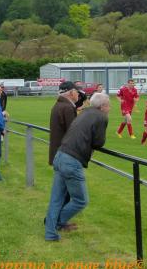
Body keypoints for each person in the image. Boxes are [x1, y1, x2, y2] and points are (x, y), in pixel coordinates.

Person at [44, 92, 110, 242]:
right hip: (71, 160)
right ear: (103, 106)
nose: (110, 108)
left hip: (60, 155)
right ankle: (55, 222)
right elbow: (99, 142)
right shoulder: (101, 117)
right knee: (81, 200)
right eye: (109, 105)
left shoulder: (83, 113)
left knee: (56, 199)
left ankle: (51, 232)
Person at [49, 81, 79, 166]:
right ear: (72, 93)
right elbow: (73, 132)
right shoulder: (68, 108)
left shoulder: (58, 105)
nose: (78, 94)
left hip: (58, 153)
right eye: (77, 92)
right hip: (66, 156)